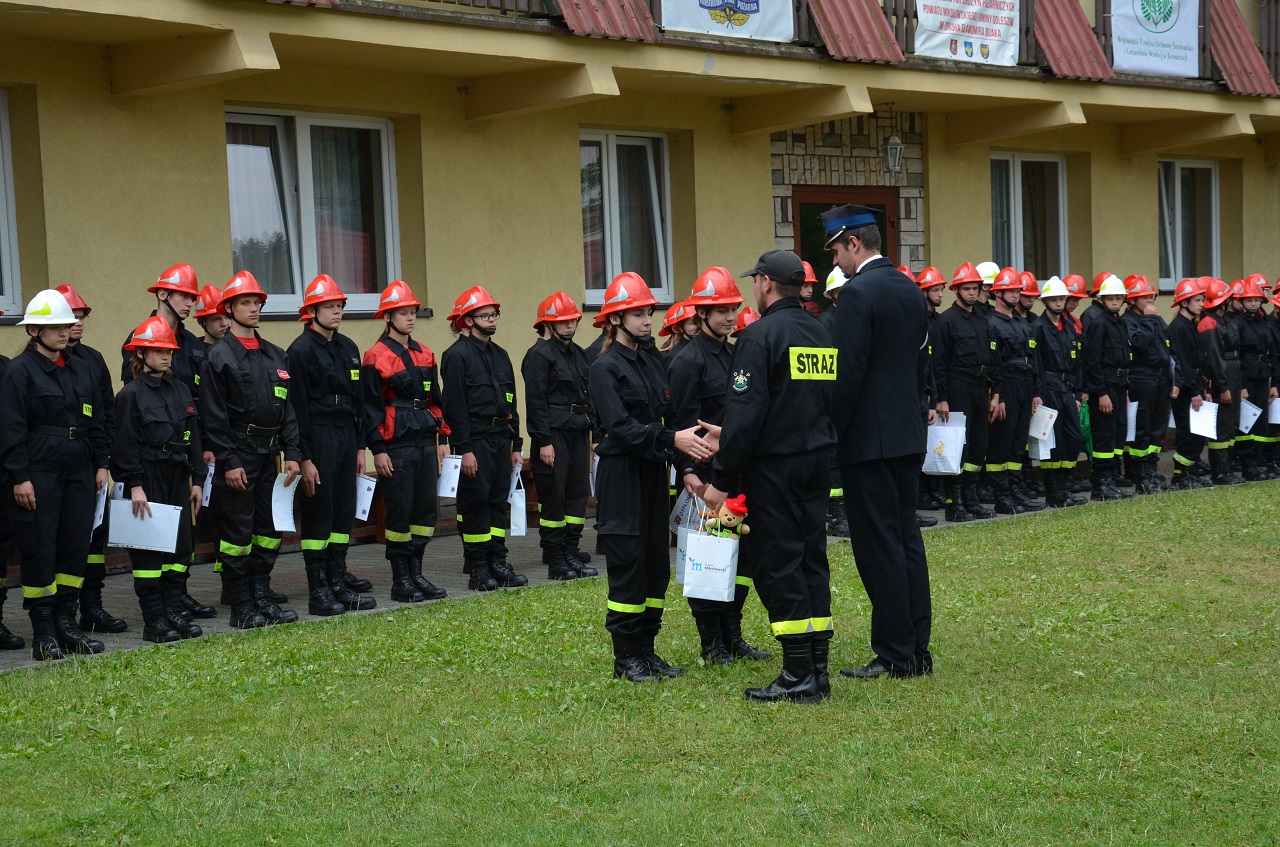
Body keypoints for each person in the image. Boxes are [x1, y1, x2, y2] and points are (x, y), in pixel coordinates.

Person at [699, 250, 836, 702]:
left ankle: (797, 674)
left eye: (755, 281)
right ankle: (817, 669)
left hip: (775, 468)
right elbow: (807, 402)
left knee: (779, 563)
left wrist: (722, 478)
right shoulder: (820, 332)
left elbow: (747, 414)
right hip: (816, 462)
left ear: (766, 283)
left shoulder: (759, 336)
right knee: (812, 558)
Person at [818, 204, 932, 681]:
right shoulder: (909, 289)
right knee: (906, 540)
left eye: (836, 251)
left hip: (869, 441)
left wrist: (830, 431)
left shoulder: (857, 293)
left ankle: (894, 653)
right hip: (907, 434)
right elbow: (920, 363)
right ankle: (916, 647)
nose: (835, 261)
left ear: (854, 243)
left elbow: (846, 375)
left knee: (878, 546)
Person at [589, 272, 713, 683]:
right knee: (628, 563)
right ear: (615, 319)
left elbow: (670, 418)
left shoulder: (652, 361)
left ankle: (647, 650)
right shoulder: (604, 368)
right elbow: (620, 427)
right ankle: (626, 659)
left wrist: (686, 465)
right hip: (622, 474)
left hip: (653, 471)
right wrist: (670, 439)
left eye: (649, 313)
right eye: (638, 314)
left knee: (656, 564)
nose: (647, 321)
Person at [0, 290, 110, 659]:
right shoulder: (19, 372)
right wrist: (20, 477)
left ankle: (67, 624)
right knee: (40, 549)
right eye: (55, 326)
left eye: (67, 324)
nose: (65, 331)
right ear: (34, 330)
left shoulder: (81, 367)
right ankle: (44, 633)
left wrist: (101, 464)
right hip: (39, 472)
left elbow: (96, 420)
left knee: (75, 547)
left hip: (79, 470)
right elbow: (10, 429)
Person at [668, 266, 770, 665]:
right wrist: (688, 472)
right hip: (705, 476)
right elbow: (680, 424)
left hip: (737, 472)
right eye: (722, 310)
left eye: (733, 309)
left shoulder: (736, 354)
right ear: (701, 313)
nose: (730, 317)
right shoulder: (686, 361)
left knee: (740, 558)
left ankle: (733, 635)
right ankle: (711, 643)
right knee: (708, 558)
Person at [201, 271, 302, 628]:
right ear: (228, 309)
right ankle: (241, 605)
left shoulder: (275, 354)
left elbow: (288, 409)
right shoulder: (217, 357)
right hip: (238, 455)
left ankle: (262, 596)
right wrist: (228, 461)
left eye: (256, 302)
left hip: (270, 455)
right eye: (245, 302)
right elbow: (213, 416)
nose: (253, 308)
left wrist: (293, 453)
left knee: (269, 530)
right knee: (236, 534)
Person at [287, 275, 377, 616]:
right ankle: (319, 589)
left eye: (339, 306)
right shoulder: (300, 351)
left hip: (346, 435)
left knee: (342, 510)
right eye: (329, 306)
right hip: (318, 433)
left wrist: (360, 447)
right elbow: (296, 409)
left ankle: (338, 581)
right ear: (312, 311)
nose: (337, 311)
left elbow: (360, 401)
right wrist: (305, 457)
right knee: (319, 512)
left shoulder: (349, 348)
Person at [113, 317, 206, 642]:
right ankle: (154, 621)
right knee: (149, 552)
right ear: (140, 354)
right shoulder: (130, 395)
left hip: (178, 474)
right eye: (158, 351)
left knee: (180, 549)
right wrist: (135, 485)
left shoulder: (180, 389)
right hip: (147, 477)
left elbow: (194, 438)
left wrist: (198, 479)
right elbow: (124, 446)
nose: (166, 356)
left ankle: (173, 612)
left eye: (169, 351)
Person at [362, 281, 450, 603]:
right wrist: (378, 450)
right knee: (400, 512)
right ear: (388, 317)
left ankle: (417, 574)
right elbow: (370, 409)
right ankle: (401, 581)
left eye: (413, 312)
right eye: (403, 313)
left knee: (425, 511)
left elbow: (435, 401)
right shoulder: (375, 356)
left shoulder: (426, 353)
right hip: (396, 445)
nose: (411, 317)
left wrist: (443, 438)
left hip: (425, 441)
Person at [54, 284, 132, 635]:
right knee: (63, 538)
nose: (78, 323)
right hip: (56, 463)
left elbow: (106, 415)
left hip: (90, 462)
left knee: (94, 536)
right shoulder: (41, 363)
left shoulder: (93, 359)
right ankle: (61, 613)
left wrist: (104, 462)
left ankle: (92, 607)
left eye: (82, 316)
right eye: (72, 317)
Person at [441, 285, 528, 592]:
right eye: (485, 315)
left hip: (500, 438)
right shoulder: (456, 356)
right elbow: (454, 407)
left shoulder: (501, 355)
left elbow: (511, 402)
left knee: (497, 501)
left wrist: (516, 445)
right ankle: (477, 567)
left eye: (494, 314)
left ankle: (497, 561)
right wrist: (463, 449)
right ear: (467, 320)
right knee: (475, 503)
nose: (492, 320)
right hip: (475, 440)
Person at [521, 291, 598, 581]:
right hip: (553, 433)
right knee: (554, 495)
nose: (569, 325)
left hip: (578, 430)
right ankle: (556, 559)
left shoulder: (578, 353)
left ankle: (571, 551)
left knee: (578, 493)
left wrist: (595, 433)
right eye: (562, 321)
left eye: (573, 320)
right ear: (547, 324)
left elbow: (589, 395)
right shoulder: (539, 355)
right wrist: (543, 441)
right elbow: (536, 401)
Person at [934, 261, 1000, 523]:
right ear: (956, 290)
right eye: (967, 289)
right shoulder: (946, 321)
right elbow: (938, 363)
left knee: (978, 445)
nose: (972, 293)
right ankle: (954, 503)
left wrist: (996, 393)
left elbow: (994, 358)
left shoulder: (983, 320)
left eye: (975, 288)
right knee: (958, 446)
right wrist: (941, 399)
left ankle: (971, 499)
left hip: (981, 387)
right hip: (958, 387)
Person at [984, 268, 1044, 514]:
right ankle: (1002, 496)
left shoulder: (1023, 323)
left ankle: (1016, 491)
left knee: (1019, 444)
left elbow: (1034, 359)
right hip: (1006, 384)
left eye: (1017, 290)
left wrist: (1036, 392)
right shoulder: (990, 322)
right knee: (1001, 442)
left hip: (1025, 385)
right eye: (1009, 291)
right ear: (997, 293)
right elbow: (993, 362)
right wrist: (998, 395)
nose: (1015, 294)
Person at [1031, 277, 1087, 507]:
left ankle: (1065, 487)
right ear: (1045, 301)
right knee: (1054, 440)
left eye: (1061, 299)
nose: (1058, 303)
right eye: (1053, 299)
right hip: (1048, 387)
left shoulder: (1070, 327)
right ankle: (1054, 492)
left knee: (1073, 438)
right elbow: (1035, 364)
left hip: (1067, 388)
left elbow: (1077, 363)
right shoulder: (1038, 327)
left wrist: (1078, 394)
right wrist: (1037, 392)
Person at [1081, 274, 1134, 500]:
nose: (1114, 302)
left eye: (1118, 298)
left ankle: (1111, 479)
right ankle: (1100, 485)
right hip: (1105, 386)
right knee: (1104, 435)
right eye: (1110, 298)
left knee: (1118, 433)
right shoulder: (1099, 323)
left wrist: (1126, 390)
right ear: (1101, 299)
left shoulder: (1119, 322)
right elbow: (1092, 362)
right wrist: (1101, 393)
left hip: (1120, 385)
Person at [120, 263, 205, 402]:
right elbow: (134, 395)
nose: (190, 303)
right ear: (162, 294)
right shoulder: (139, 339)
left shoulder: (194, 343)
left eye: (192, 298)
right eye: (184, 295)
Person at [1122, 276, 1173, 493]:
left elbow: (1169, 347)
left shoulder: (1157, 320)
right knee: (1141, 429)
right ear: (1132, 300)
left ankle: (1151, 469)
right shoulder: (1128, 321)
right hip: (1141, 378)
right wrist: (1149, 319)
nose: (1150, 301)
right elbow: (1139, 343)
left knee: (1157, 429)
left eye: (1152, 297)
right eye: (1145, 297)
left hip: (1161, 378)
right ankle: (1140, 474)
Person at [818, 266, 853, 536]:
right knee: (833, 456)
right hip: (832, 398)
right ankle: (835, 514)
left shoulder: (855, 316)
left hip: (851, 397)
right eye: (843, 290)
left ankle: (847, 510)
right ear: (832, 294)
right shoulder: (826, 323)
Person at [1232, 275, 1276, 480]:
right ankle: (1247, 464)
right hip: (1247, 377)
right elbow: (1236, 356)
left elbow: (1272, 353)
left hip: (1263, 375)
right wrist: (1241, 385)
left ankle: (1259, 462)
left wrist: (1274, 383)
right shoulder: (1237, 324)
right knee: (1246, 421)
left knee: (1261, 421)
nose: (1253, 303)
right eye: (1249, 300)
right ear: (1242, 302)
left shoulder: (1263, 322)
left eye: (1256, 300)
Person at [1200, 278, 1244, 485]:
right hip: (1222, 377)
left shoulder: (1223, 320)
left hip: (1233, 372)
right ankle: (1219, 471)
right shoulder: (1209, 323)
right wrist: (1223, 387)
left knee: (1232, 423)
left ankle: (1227, 467)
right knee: (1222, 425)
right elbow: (1215, 359)